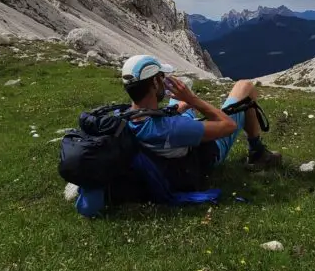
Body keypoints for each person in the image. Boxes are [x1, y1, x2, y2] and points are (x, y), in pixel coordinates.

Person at [120, 55, 281, 189]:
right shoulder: (172, 128)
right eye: (162, 78)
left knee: (180, 103)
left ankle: (183, 104)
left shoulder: (124, 116)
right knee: (244, 87)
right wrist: (192, 99)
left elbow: (159, 122)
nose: (164, 81)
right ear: (154, 83)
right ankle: (257, 153)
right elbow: (228, 126)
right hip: (202, 152)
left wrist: (181, 107)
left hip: (173, 141)